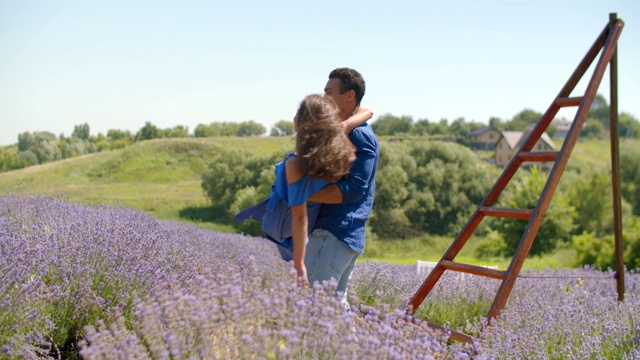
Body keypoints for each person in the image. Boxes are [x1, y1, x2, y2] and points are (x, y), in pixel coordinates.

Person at [234, 93, 373, 284]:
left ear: (298, 124)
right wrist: (346, 126)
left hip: (284, 224)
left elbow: (300, 217)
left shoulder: (295, 165)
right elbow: (368, 111)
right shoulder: (339, 156)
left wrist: (299, 264)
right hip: (338, 232)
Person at [305, 68, 379, 309]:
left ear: (349, 96)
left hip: (336, 232)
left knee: (317, 307)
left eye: (329, 92)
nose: (324, 98)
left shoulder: (359, 135)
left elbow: (356, 188)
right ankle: (353, 348)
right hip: (337, 233)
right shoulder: (346, 128)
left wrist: (303, 192)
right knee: (335, 305)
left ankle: (320, 348)